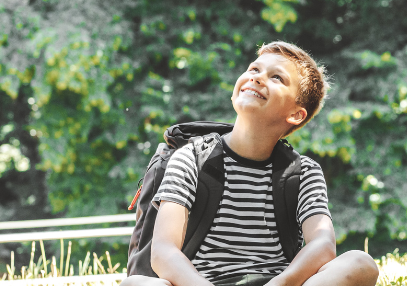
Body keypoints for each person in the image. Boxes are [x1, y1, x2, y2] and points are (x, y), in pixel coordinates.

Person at [124, 42, 378, 286]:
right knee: (135, 284)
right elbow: (163, 252)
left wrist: (281, 284)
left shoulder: (304, 173)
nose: (257, 77)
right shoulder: (190, 157)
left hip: (277, 283)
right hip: (199, 283)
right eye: (254, 69)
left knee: (360, 263)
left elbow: (322, 244)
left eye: (276, 77)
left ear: (295, 114)